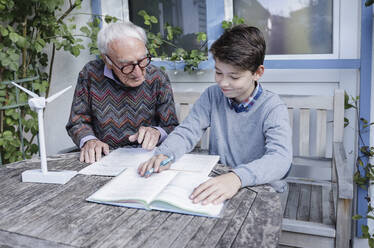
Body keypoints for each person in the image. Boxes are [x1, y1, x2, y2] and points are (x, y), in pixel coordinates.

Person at [138, 25, 292, 205]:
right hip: (220, 182)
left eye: (234, 77)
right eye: (218, 72)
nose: (224, 83)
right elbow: (188, 131)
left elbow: (280, 159)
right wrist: (165, 154)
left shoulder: (272, 107)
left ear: (258, 73)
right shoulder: (212, 95)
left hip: (262, 189)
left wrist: (236, 178)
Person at [66, 22, 179, 163]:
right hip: (103, 159)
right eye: (127, 65)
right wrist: (90, 141)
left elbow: (171, 126)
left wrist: (157, 132)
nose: (138, 73)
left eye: (142, 60)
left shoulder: (158, 77)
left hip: (146, 158)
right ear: (107, 60)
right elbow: (77, 122)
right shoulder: (90, 74)